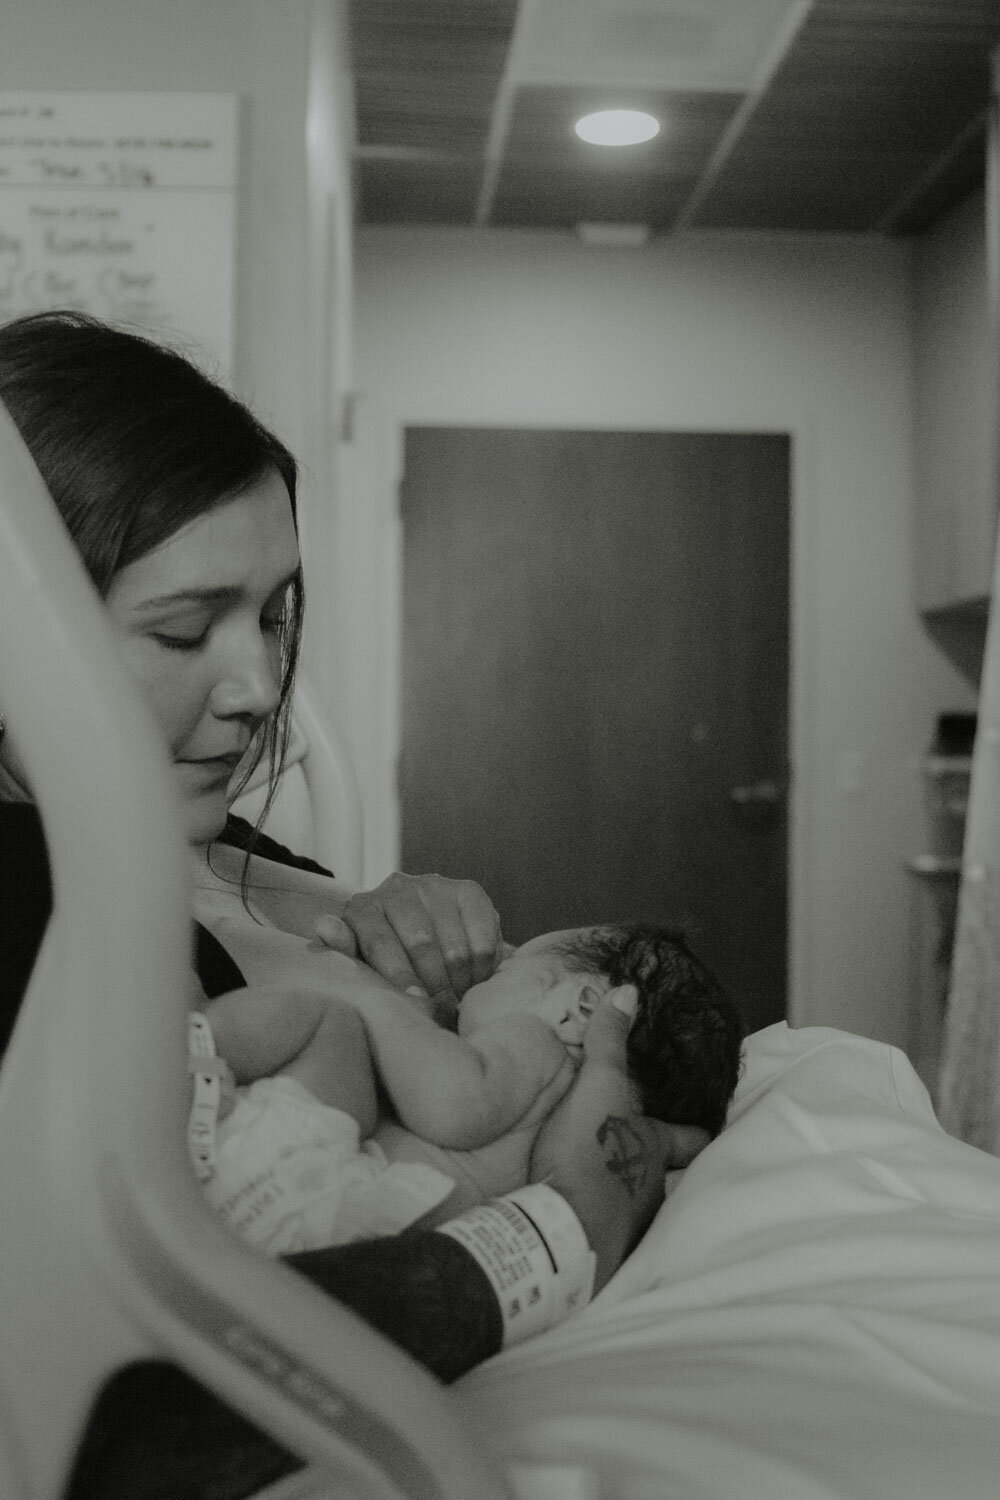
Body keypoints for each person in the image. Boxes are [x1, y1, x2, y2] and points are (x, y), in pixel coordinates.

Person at [0, 311, 711, 1497]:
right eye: (185, 627)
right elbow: (124, 1382)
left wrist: (389, 922)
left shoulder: (173, 834)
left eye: (275, 614)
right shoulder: (41, 889)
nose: (260, 684)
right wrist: (563, 1225)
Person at [192, 923, 744, 1255]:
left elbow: (453, 1105)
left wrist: (375, 1000)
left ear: (580, 1009)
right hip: (326, 1232)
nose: (481, 983)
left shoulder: (539, 1048)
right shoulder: (571, 1132)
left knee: (326, 1022)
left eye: (509, 969)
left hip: (306, 1196)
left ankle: (187, 1047)